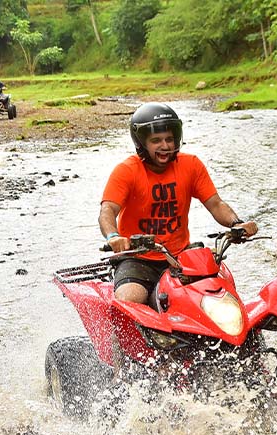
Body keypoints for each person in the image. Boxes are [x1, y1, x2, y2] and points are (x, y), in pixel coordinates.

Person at [99, 102, 258, 305]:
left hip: (179, 257)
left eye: (169, 140)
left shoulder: (191, 165)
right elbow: (108, 210)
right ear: (142, 143)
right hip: (137, 258)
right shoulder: (127, 170)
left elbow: (216, 204)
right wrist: (114, 237)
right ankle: (117, 338)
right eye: (156, 140)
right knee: (130, 298)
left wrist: (237, 224)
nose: (165, 146)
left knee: (219, 292)